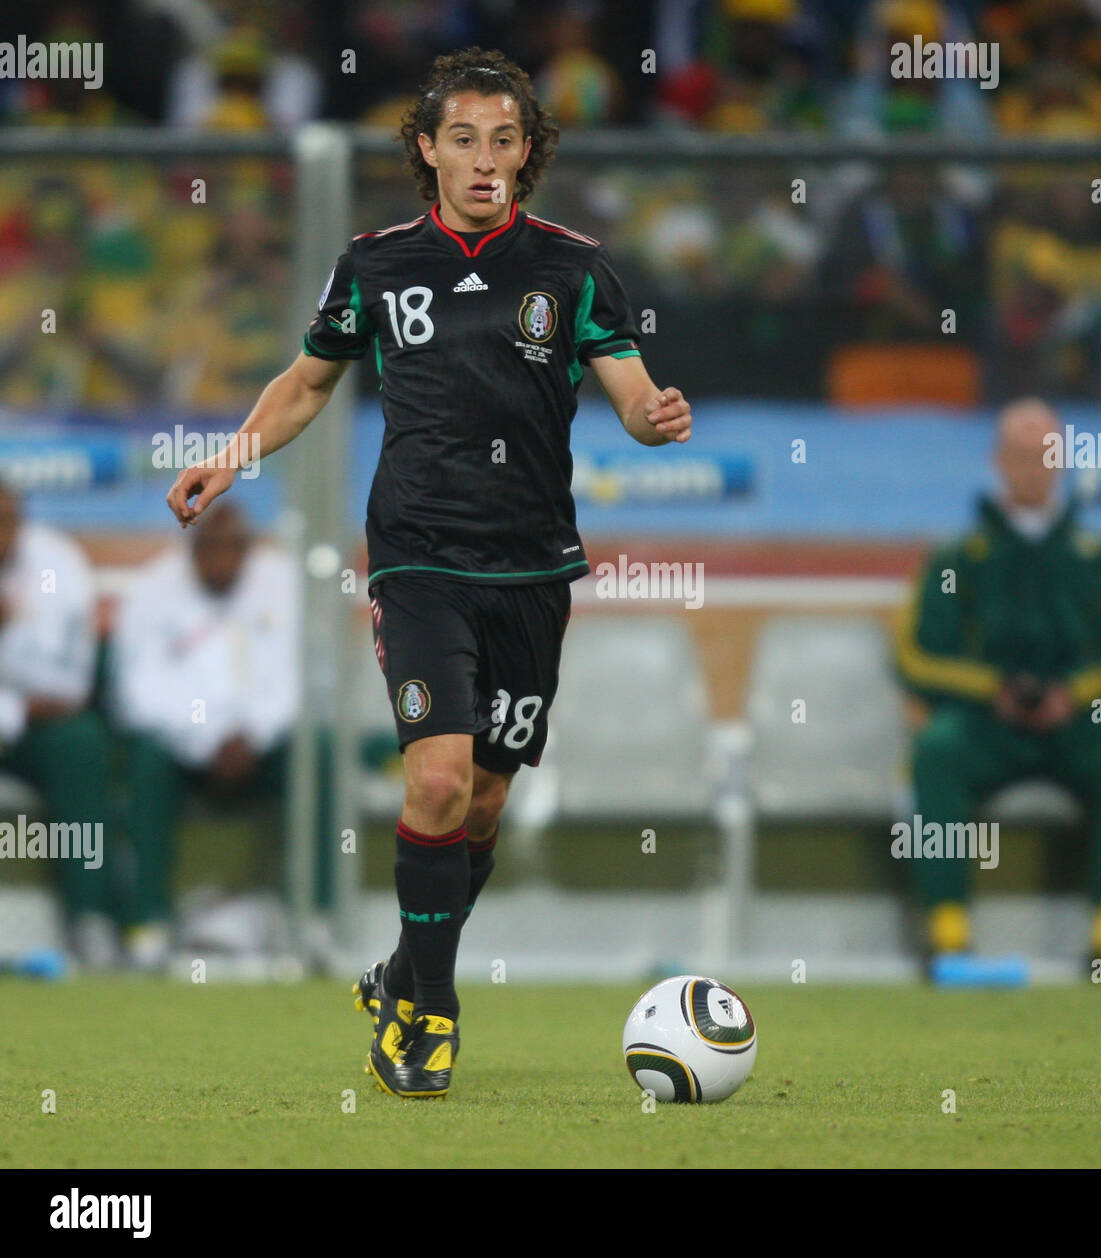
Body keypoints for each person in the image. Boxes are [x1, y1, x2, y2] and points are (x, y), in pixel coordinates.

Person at [165, 47, 692, 1099]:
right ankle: (429, 1016)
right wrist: (231, 454)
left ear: (528, 154)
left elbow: (633, 395)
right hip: (417, 557)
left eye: (505, 140)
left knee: (483, 805)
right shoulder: (375, 265)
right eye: (463, 138)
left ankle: (404, 970)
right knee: (438, 779)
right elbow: (309, 382)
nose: (484, 159)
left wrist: (654, 416)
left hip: (532, 567)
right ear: (426, 149)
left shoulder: (575, 269)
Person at [894, 399, 1101, 974]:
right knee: (936, 750)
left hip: (1077, 724)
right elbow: (917, 656)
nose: (1033, 468)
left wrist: (1077, 694)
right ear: (996, 460)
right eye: (1020, 455)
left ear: (1063, 461)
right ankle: (947, 932)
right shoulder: (957, 559)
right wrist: (992, 689)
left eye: (1045, 454)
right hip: (988, 725)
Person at [110, 501, 300, 970]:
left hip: (261, 745)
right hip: (182, 748)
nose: (220, 560)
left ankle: (309, 917)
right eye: (208, 548)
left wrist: (251, 733)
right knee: (144, 762)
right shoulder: (154, 590)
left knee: (315, 760)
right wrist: (206, 738)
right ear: (190, 546)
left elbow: (303, 677)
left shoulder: (283, 585)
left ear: (249, 548)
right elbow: (135, 691)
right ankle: (146, 921)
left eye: (232, 548)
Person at [0, 479, 118, 967]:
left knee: (81, 741)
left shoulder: (57, 564)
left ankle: (90, 918)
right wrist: (17, 704)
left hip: (38, 732)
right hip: (22, 712)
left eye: (7, 523)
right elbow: (38, 689)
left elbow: (69, 685)